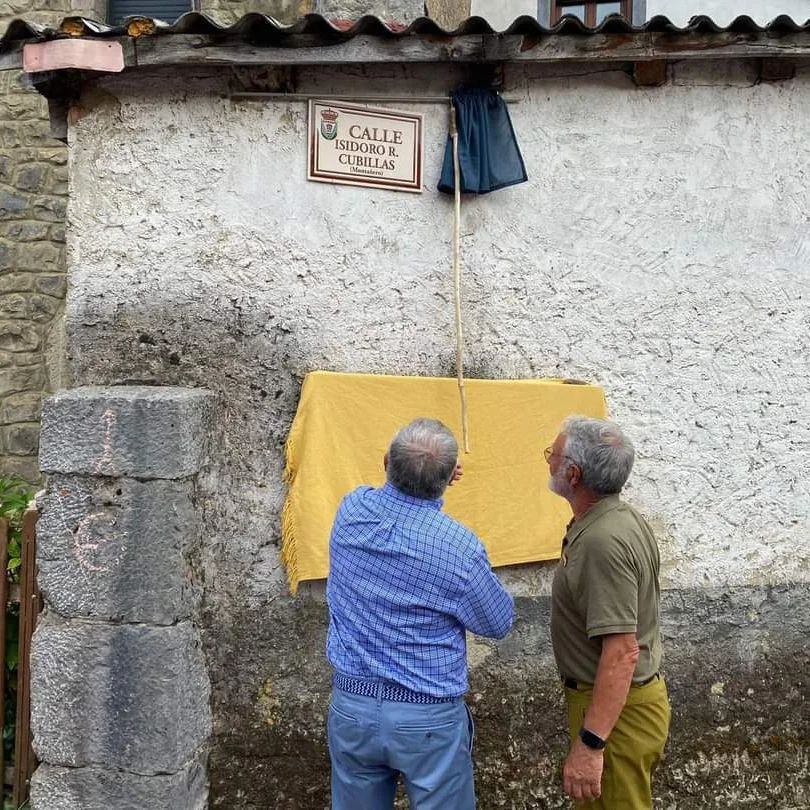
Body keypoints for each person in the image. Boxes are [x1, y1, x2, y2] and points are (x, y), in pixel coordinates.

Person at [326, 417, 514, 810]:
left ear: (385, 463)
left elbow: (389, 489)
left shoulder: (351, 511)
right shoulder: (457, 547)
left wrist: (427, 477)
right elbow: (497, 623)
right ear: (448, 480)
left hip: (353, 707)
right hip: (426, 715)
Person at [546, 416, 670, 808]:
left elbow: (622, 652)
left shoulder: (603, 542)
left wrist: (591, 744)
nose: (548, 460)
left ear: (574, 473)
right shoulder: (618, 518)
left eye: (553, 453)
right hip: (618, 707)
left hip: (615, 715)